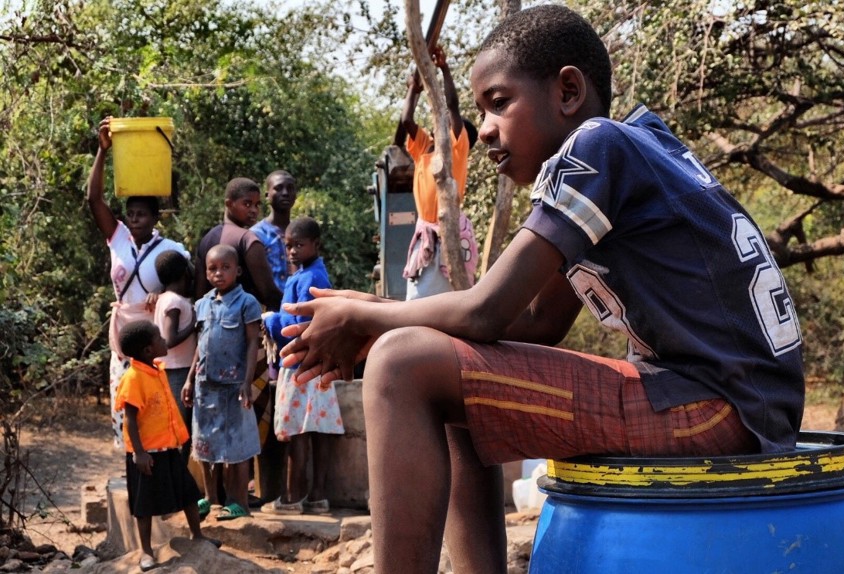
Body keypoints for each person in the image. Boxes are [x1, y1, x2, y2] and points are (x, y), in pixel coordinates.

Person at [279, 5, 805, 573]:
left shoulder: (596, 146)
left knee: (400, 364)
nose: (484, 129)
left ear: (568, 92)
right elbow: (534, 322)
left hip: (714, 410)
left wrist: (363, 319)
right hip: (741, 405)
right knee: (449, 368)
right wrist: (369, 305)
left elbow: (486, 312)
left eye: (499, 103)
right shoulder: (637, 148)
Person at [87, 115, 189, 448]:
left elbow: (188, 287)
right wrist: (103, 151)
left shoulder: (171, 250)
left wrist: (163, 295)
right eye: (130, 214)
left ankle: (158, 469)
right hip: (123, 339)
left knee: (155, 415)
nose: (134, 220)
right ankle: (133, 463)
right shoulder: (118, 238)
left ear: (156, 218)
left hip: (154, 343)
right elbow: (94, 200)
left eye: (142, 214)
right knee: (126, 412)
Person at [113, 320, 220, 571]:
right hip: (147, 454)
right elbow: (130, 419)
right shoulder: (133, 378)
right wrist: (139, 453)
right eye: (159, 338)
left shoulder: (157, 370)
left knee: (189, 493)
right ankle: (146, 551)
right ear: (148, 350)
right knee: (144, 505)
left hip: (168, 448)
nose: (164, 340)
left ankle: (197, 535)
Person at [262, 217, 343, 515]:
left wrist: (271, 321)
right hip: (318, 363)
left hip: (300, 363)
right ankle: (317, 496)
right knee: (317, 428)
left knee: (298, 430)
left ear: (315, 245)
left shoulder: (308, 278)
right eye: (288, 246)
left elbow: (302, 326)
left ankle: (292, 497)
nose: (292, 251)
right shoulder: (313, 274)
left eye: (299, 245)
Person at [182, 244, 262, 521]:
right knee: (204, 444)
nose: (219, 273)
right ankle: (210, 498)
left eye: (225, 268)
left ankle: (238, 501)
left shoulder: (246, 303)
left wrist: (247, 381)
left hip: (234, 386)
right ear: (206, 273)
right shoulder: (202, 304)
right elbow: (200, 345)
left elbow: (252, 343)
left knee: (237, 446)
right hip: (205, 386)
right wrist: (190, 379)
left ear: (237, 271)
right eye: (213, 269)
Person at [395, 45, 479, 299]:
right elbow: (406, 120)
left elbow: (452, 106)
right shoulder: (424, 147)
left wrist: (444, 69)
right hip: (426, 230)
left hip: (447, 228)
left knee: (443, 296)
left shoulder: (456, 148)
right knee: (418, 296)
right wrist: (413, 89)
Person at [194, 177, 281, 311]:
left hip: (210, 319)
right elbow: (269, 293)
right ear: (229, 204)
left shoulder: (206, 239)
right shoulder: (247, 239)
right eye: (247, 204)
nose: (254, 210)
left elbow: (199, 293)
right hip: (245, 319)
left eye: (257, 205)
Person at [153, 250, 196, 460]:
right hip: (178, 370)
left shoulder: (165, 298)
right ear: (184, 272)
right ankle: (178, 472)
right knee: (180, 429)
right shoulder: (174, 302)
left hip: (172, 368)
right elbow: (169, 340)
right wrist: (194, 325)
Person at [251, 170, 298, 292]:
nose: (285, 193)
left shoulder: (301, 232)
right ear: (267, 195)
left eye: (290, 188)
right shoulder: (256, 234)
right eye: (278, 188)